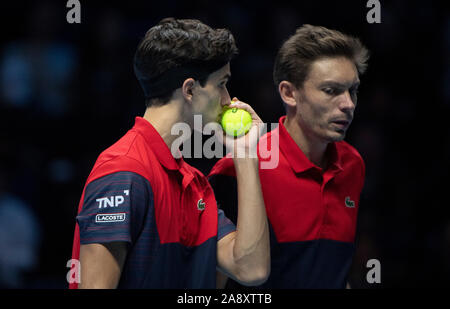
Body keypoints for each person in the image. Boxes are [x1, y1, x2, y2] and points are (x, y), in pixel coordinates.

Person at [69, 18, 270, 289]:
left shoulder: (195, 183)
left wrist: (245, 156)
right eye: (222, 83)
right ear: (189, 90)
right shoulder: (122, 173)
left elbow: (251, 269)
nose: (228, 100)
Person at [209, 24, 369, 288]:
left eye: (352, 90)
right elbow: (214, 283)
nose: (348, 104)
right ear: (289, 93)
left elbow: (335, 270)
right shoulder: (237, 169)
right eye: (331, 91)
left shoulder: (353, 164)